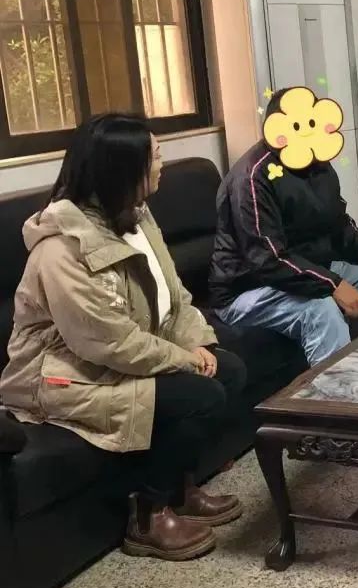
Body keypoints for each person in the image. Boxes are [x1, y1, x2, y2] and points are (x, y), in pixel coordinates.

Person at [0, 114, 245, 561]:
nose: (162, 163)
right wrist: (186, 360)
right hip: (63, 377)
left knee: (229, 369)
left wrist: (200, 344)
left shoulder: (136, 216)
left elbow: (173, 295)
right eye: (154, 156)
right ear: (121, 170)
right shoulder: (62, 248)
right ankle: (148, 516)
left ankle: (180, 490)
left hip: (118, 357)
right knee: (200, 394)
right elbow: (106, 341)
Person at [210, 87, 358, 366]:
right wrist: (332, 284)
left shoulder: (318, 160)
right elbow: (267, 259)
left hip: (309, 271)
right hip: (248, 288)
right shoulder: (252, 178)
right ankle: (337, 393)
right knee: (321, 311)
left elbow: (337, 219)